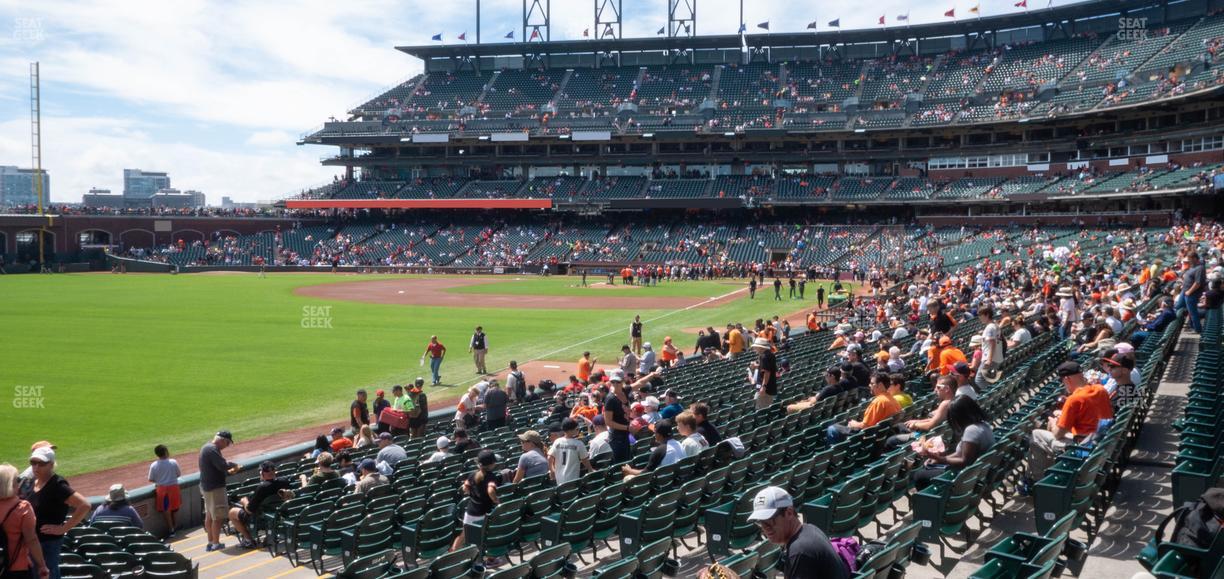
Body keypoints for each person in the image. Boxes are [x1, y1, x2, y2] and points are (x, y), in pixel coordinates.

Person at [1023, 361, 1114, 492]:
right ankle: (1049, 474)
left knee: (1036, 435)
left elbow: (1057, 434)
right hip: (1100, 442)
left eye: (1063, 381)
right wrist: (1064, 415)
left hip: (1082, 448)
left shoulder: (1074, 399)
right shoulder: (1100, 389)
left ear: (1067, 379)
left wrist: (1054, 422)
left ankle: (1037, 482)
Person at [746, 486, 849, 579]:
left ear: (789, 513)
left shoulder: (800, 550)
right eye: (760, 522)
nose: (765, 528)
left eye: (770, 520)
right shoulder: (810, 529)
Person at [911, 396, 994, 489]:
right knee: (928, 468)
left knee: (919, 475)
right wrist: (938, 459)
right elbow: (959, 454)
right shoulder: (983, 424)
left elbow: (964, 461)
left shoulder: (971, 430)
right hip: (975, 473)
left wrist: (937, 458)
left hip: (966, 477)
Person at [0, 464, 51, 579]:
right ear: (11, 484)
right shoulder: (22, 508)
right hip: (17, 567)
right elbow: (31, 540)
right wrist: (42, 565)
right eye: (17, 480)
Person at [227, 461, 292, 549]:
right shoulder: (284, 481)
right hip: (279, 514)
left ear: (262, 473)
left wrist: (244, 501)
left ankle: (248, 540)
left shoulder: (262, 488)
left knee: (232, 512)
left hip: (261, 518)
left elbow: (249, 510)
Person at [827, 373, 902, 444]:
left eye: (872, 383)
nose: (869, 385)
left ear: (880, 385)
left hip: (869, 438)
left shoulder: (879, 402)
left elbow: (866, 427)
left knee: (832, 429)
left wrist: (854, 424)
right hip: (881, 436)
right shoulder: (893, 400)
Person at [885, 375, 956, 449]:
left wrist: (915, 424)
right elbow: (935, 420)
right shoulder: (951, 400)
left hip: (925, 437)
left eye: (938, 387)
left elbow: (930, 426)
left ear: (947, 389)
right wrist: (917, 421)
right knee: (900, 425)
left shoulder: (945, 404)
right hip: (930, 434)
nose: (935, 390)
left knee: (891, 440)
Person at [196, 431, 237, 552]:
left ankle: (211, 541)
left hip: (207, 486)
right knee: (217, 517)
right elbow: (222, 465)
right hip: (214, 488)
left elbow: (217, 468)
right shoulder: (212, 449)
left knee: (210, 515)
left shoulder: (207, 447)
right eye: (228, 443)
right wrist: (233, 465)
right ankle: (215, 543)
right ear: (223, 440)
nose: (227, 445)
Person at [453, 450, 502, 551]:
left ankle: (453, 552)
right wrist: (496, 500)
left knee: (465, 534)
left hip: (471, 511)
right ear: (492, 464)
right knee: (481, 536)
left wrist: (472, 493)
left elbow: (465, 488)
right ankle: (484, 558)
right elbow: (490, 490)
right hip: (483, 512)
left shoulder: (472, 475)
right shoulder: (491, 477)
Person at [148, 444, 181, 538]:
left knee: (167, 510)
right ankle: (174, 527)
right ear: (166, 452)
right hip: (174, 488)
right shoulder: (173, 462)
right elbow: (178, 474)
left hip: (162, 489)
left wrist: (160, 480)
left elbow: (150, 479)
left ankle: (172, 529)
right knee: (175, 508)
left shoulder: (154, 465)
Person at [549, 418, 594, 485]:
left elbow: (549, 457)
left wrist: (552, 470)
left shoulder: (557, 441)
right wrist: (590, 469)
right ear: (570, 430)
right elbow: (584, 460)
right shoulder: (578, 444)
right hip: (573, 478)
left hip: (559, 478)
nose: (578, 431)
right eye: (577, 429)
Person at [603, 373, 633, 462]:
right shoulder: (610, 399)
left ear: (623, 381)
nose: (615, 384)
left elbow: (640, 383)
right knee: (620, 463)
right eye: (613, 382)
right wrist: (627, 427)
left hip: (625, 434)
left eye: (618, 382)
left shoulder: (624, 391)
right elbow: (608, 422)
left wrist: (652, 375)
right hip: (617, 437)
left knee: (627, 460)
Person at [1180, 252, 1206, 333]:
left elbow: (1197, 283)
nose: (1188, 261)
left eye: (1190, 259)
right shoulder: (1192, 267)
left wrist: (1189, 291)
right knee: (1181, 307)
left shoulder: (1200, 268)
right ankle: (1192, 326)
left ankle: (1197, 329)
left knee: (1193, 312)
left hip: (1191, 293)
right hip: (1186, 292)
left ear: (1194, 258)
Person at [751, 338, 778, 410]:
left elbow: (767, 372)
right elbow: (768, 368)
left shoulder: (764, 357)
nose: (755, 348)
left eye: (756, 347)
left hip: (765, 388)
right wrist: (757, 366)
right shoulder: (770, 354)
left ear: (760, 347)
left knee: (760, 409)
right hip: (771, 386)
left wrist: (763, 387)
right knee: (765, 407)